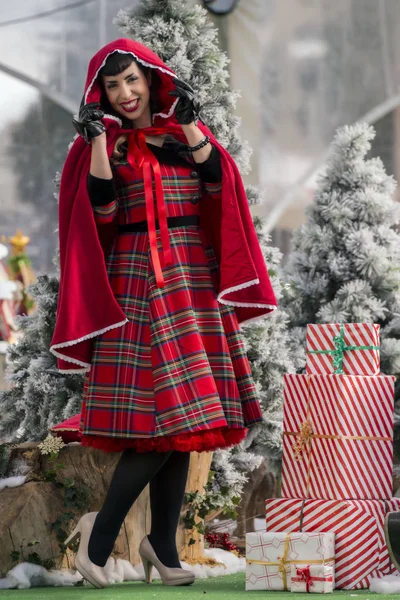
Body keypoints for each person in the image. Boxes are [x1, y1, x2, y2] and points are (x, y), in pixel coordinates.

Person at [50, 38, 277, 589]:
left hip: (191, 282)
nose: (126, 93)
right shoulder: (99, 146)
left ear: (152, 80)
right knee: (165, 420)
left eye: (133, 80)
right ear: (99, 92)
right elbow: (101, 211)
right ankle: (101, 538)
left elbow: (220, 185)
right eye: (113, 85)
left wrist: (191, 126)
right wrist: (100, 141)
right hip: (134, 282)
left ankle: (162, 546)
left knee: (186, 421)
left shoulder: (183, 136)